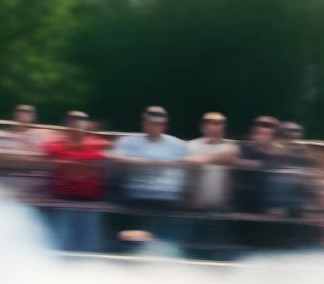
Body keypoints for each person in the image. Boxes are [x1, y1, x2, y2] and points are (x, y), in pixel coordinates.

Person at [110, 105, 188, 242]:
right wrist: (145, 163)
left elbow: (187, 167)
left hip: (166, 197)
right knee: (131, 235)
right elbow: (114, 158)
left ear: (164, 125)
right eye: (150, 122)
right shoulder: (128, 141)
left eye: (158, 123)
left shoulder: (177, 144)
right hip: (135, 195)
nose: (154, 126)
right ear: (144, 122)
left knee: (162, 237)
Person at [43, 110, 109, 252]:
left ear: (87, 124)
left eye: (81, 120)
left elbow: (99, 157)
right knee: (60, 244)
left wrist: (72, 162)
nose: (77, 123)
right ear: (66, 124)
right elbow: (52, 152)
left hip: (89, 202)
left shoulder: (98, 143)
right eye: (73, 120)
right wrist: (82, 163)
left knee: (89, 246)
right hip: (63, 200)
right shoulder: (56, 143)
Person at [186, 111, 239, 210]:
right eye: (210, 122)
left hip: (221, 208)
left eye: (219, 122)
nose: (215, 126)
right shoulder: (190, 146)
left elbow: (229, 157)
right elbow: (186, 164)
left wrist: (200, 160)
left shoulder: (231, 147)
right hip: (193, 207)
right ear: (202, 126)